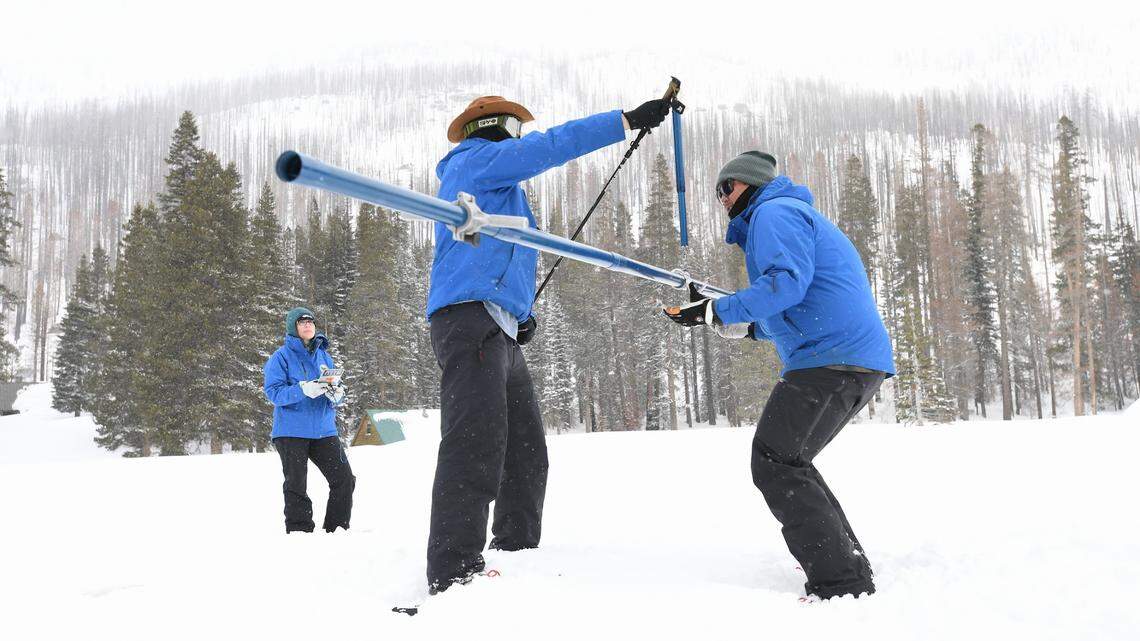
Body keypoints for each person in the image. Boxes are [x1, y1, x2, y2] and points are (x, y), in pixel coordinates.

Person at [425, 94, 673, 593]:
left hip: (500, 323)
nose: (520, 135)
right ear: (494, 128)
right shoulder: (477, 161)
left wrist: (525, 313)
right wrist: (622, 122)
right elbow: (551, 146)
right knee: (476, 442)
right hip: (469, 318)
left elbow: (507, 256)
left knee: (524, 448)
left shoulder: (497, 184)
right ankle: (453, 568)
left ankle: (517, 547)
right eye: (516, 126)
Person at [663, 151, 895, 601]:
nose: (721, 200)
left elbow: (785, 284)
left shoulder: (774, 211)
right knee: (789, 461)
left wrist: (715, 308)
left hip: (830, 362)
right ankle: (845, 564)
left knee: (775, 462)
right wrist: (732, 323)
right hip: (845, 360)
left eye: (724, 189)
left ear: (746, 184)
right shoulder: (786, 215)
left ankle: (842, 582)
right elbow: (793, 304)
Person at [263, 307, 354, 534]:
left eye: (311, 322)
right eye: (302, 322)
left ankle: (337, 530)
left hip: (324, 429)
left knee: (344, 479)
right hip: (291, 430)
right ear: (293, 328)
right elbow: (273, 392)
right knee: (296, 484)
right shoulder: (280, 357)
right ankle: (300, 532)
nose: (307, 325)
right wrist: (303, 389)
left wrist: (337, 393)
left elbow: (335, 385)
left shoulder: (323, 355)